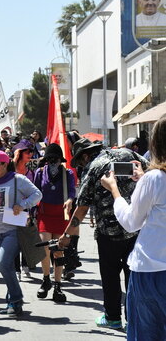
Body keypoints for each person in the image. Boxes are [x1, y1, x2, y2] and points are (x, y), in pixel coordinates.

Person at [58, 138, 148, 330]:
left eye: (80, 162)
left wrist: (66, 236)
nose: (81, 166)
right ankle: (134, 318)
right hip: (135, 227)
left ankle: (113, 318)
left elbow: (81, 208)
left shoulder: (92, 168)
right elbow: (149, 170)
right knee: (133, 276)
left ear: (85, 155)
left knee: (110, 277)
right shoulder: (127, 154)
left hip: (109, 234)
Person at [99, 117, 166, 340]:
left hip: (150, 271)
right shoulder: (152, 179)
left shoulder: (155, 179)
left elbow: (130, 222)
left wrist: (114, 191)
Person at [0, 151, 43, 317]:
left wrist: (23, 204)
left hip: (14, 230)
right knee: (8, 268)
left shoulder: (18, 179)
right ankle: (12, 302)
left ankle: (16, 298)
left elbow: (38, 194)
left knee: (2, 264)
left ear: (4, 164)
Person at [33, 144, 75, 303]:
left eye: (55, 159)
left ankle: (58, 284)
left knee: (58, 250)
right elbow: (35, 191)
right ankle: (45, 279)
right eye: (49, 159)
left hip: (60, 214)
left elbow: (71, 191)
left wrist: (70, 200)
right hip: (44, 214)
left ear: (60, 160)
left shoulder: (67, 173)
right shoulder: (39, 173)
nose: (52, 162)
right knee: (45, 247)